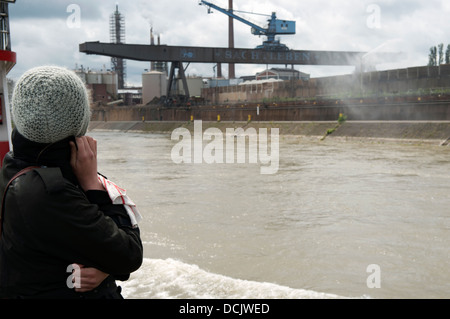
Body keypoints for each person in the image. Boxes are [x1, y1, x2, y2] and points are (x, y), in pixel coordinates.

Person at [0, 65, 143, 298]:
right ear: (79, 122)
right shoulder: (51, 193)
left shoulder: (14, 164)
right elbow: (129, 254)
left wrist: (105, 266)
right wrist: (94, 186)